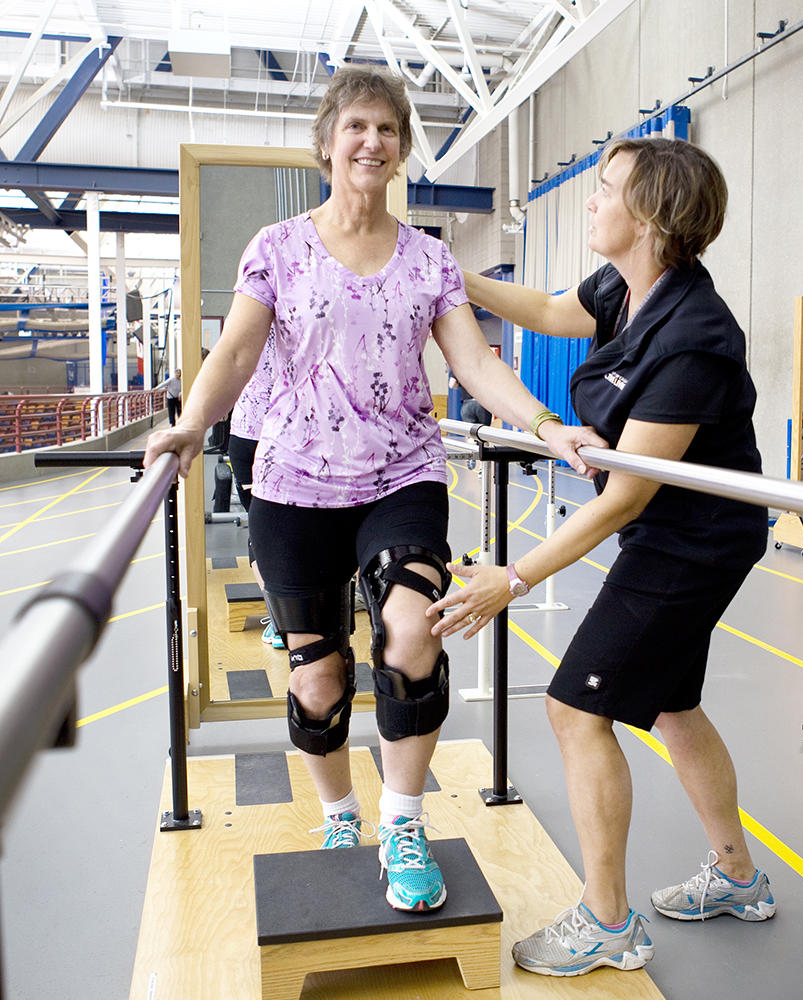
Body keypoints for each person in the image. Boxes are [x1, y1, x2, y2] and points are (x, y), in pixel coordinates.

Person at [143, 65, 604, 914]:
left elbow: (473, 364)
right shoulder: (276, 249)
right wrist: (193, 425)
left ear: (399, 154)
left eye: (388, 130)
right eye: (356, 126)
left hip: (401, 473)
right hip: (289, 481)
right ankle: (340, 814)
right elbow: (238, 355)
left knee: (409, 627)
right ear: (328, 145)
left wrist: (546, 427)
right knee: (317, 678)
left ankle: (402, 821)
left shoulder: (430, 258)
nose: (372, 141)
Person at [428, 136, 774, 974]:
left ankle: (608, 922)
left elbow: (626, 495)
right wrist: (443, 274)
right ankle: (739, 877)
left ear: (649, 214)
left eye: (606, 188)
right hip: (672, 531)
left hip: (693, 542)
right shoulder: (627, 288)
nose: (591, 201)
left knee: (575, 709)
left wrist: (513, 578)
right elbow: (550, 313)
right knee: (672, 706)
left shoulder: (694, 335)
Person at [226, 330, 284, 649]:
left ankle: (280, 619)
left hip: (252, 430)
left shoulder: (253, 307)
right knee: (284, 525)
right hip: (285, 430)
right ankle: (283, 617)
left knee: (261, 525)